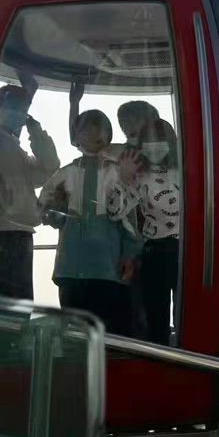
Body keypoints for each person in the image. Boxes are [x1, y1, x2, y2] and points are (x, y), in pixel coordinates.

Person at [38, 109, 143, 335]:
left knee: (112, 333)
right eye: (87, 128)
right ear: (76, 136)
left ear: (108, 135)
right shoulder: (64, 173)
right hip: (70, 268)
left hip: (109, 268)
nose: (95, 132)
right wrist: (54, 208)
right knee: (74, 334)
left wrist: (130, 254)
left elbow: (129, 220)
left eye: (102, 127)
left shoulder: (117, 172)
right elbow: (46, 212)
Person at [0, 84, 59, 299]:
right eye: (13, 106)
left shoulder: (14, 147)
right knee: (5, 310)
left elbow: (49, 168)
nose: (19, 113)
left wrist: (37, 134)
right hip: (2, 237)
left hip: (22, 235)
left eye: (23, 108)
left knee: (21, 307)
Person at [110, 119, 181, 345]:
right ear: (140, 146)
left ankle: (188, 362)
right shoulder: (139, 178)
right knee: (156, 316)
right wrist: (124, 177)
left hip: (187, 249)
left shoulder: (186, 171)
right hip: (154, 251)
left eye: (160, 140)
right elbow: (115, 211)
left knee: (187, 313)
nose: (155, 146)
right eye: (148, 142)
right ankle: (161, 363)